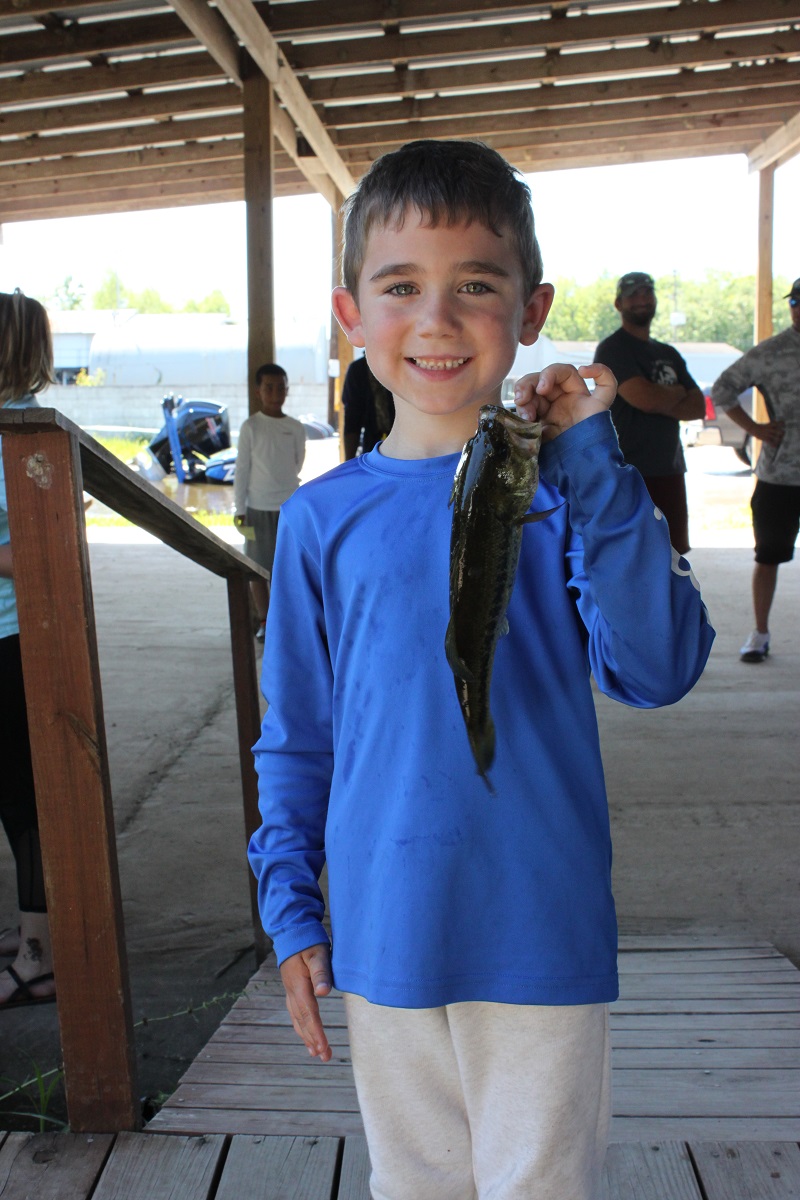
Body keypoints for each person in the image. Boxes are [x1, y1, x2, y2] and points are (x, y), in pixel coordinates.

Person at [247, 140, 714, 1200]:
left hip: (537, 930)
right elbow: (297, 735)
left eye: (475, 286)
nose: (437, 319)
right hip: (383, 934)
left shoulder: (568, 487)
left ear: (531, 308)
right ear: (349, 313)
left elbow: (658, 666)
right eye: (399, 287)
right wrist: (292, 907)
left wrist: (589, 456)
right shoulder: (319, 520)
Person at [0, 289, 56, 1008]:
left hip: (12, 639)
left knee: (23, 801)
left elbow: (35, 552)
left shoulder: (19, 432)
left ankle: (39, 954)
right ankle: (30, 930)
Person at [710, 277, 799, 663]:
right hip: (781, 475)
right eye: (795, 301)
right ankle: (760, 634)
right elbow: (722, 388)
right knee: (768, 555)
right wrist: (757, 429)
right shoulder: (772, 352)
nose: (799, 308)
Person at [593, 272, 705, 554]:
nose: (642, 299)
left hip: (670, 468)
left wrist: (658, 396)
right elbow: (643, 399)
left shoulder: (668, 352)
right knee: (634, 554)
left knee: (673, 554)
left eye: (647, 292)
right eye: (633, 295)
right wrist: (676, 392)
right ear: (619, 304)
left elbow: (698, 406)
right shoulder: (613, 348)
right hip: (629, 471)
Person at [233, 363, 305, 641]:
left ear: (287, 390)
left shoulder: (295, 427)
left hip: (289, 507)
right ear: (258, 391)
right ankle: (265, 621)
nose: (275, 394)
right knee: (257, 569)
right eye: (269, 388)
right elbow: (242, 470)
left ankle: (286, 624)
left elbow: (297, 463)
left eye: (281, 388)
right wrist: (240, 508)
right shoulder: (251, 427)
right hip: (257, 508)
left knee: (287, 569)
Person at [341, 353, 395, 459]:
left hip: (407, 445)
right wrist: (349, 462)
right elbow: (352, 422)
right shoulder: (358, 370)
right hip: (372, 444)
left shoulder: (401, 365)